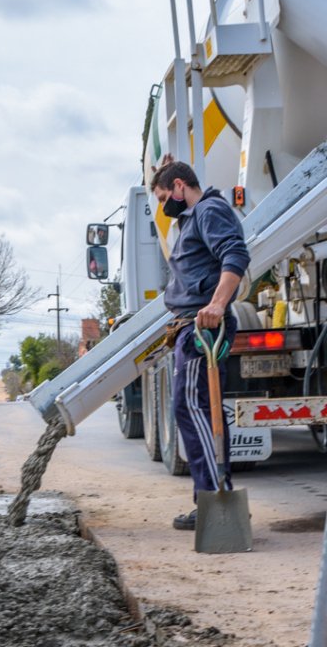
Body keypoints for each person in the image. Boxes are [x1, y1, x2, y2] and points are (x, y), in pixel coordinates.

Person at [150, 156, 250, 532]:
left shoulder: (209, 211)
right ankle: (212, 494)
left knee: (190, 409)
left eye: (163, 197)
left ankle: (213, 498)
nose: (164, 206)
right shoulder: (191, 218)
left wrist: (216, 304)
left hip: (202, 328)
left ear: (180, 187)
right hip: (191, 327)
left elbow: (235, 255)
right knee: (202, 411)